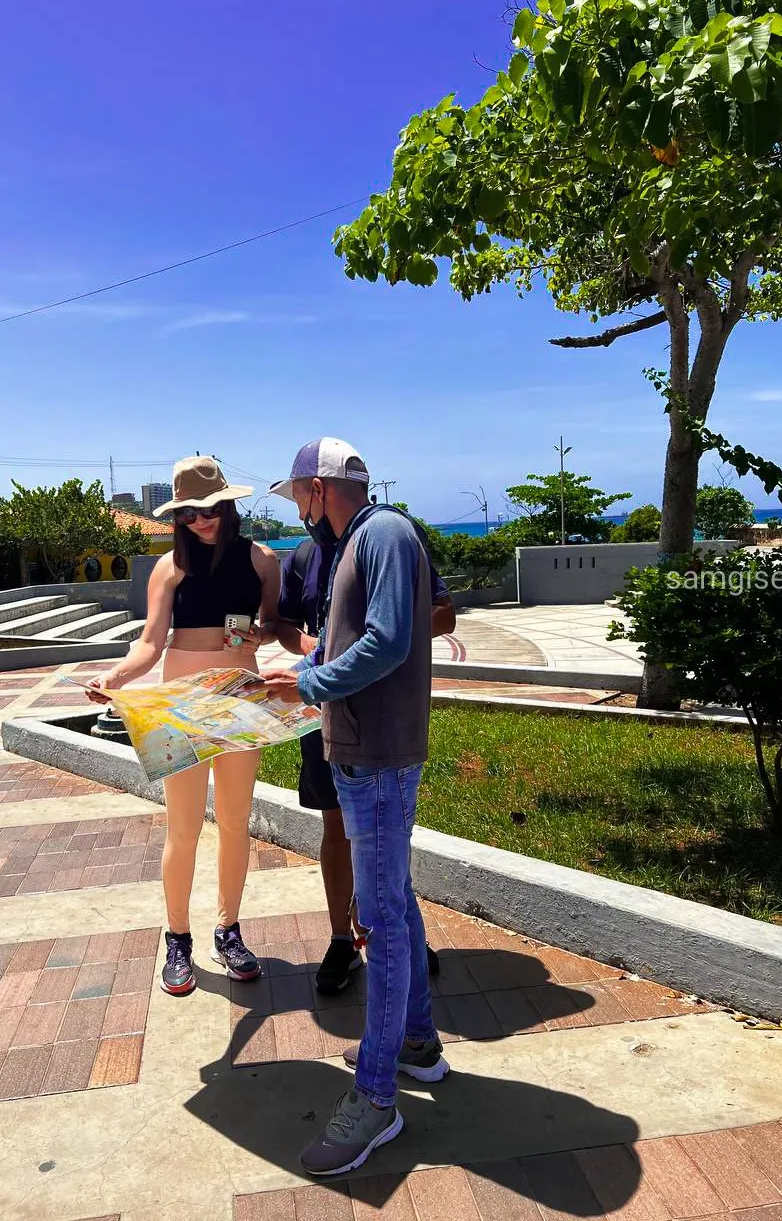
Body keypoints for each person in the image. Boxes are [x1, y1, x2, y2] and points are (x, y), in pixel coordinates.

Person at [265, 438, 446, 1177]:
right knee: (395, 899)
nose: (297, 508)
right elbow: (349, 642)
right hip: (362, 750)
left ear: (319, 488)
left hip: (377, 758)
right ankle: (417, 1046)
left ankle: (376, 1099)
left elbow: (392, 638)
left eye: (298, 495)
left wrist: (309, 687)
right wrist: (298, 668)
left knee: (377, 919)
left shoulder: (385, 535)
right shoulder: (355, 543)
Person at [86, 456, 280, 996]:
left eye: (211, 507)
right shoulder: (169, 567)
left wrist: (257, 638)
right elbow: (150, 644)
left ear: (228, 503)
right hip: (181, 704)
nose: (201, 518)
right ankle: (177, 939)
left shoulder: (263, 560)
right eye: (189, 512)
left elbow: (271, 625)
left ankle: (229, 928)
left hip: (240, 699)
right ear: (178, 516)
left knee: (237, 820)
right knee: (183, 826)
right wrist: (115, 677)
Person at [275, 513, 455, 995]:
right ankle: (343, 937)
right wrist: (320, 649)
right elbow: (285, 627)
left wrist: (374, 642)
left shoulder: (386, 541)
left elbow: (443, 613)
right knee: (335, 824)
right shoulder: (305, 555)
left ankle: (393, 935)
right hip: (320, 703)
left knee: (384, 836)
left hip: (376, 711)